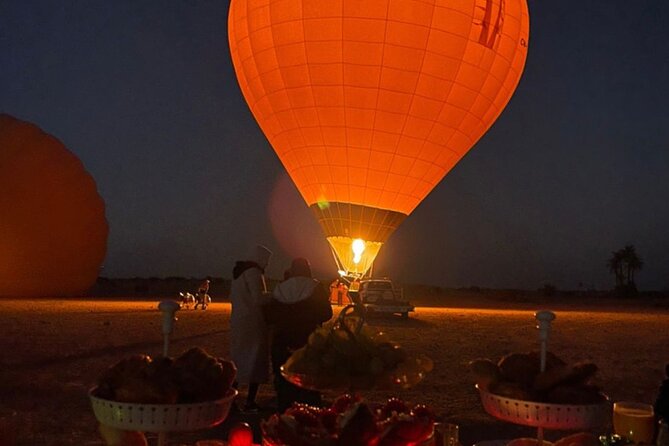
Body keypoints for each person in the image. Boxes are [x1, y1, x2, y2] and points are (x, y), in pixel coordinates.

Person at [264, 257, 333, 412]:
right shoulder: (315, 287)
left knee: (284, 382)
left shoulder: (280, 288)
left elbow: (269, 316)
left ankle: (284, 417)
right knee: (310, 382)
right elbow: (326, 313)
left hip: (282, 342)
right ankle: (312, 418)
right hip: (309, 340)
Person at [229, 244, 272, 412]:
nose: (267, 264)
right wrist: (277, 295)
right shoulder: (254, 273)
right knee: (256, 360)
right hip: (253, 323)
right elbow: (258, 299)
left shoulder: (238, 273)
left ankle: (230, 400)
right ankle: (250, 401)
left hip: (239, 321)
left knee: (238, 360)